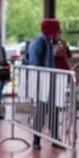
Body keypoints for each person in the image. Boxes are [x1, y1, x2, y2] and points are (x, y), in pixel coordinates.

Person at [26, 18, 60, 150]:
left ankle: (55, 138)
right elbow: (35, 65)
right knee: (41, 112)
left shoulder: (49, 43)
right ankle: (36, 140)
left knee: (54, 111)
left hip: (51, 82)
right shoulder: (38, 43)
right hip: (42, 84)